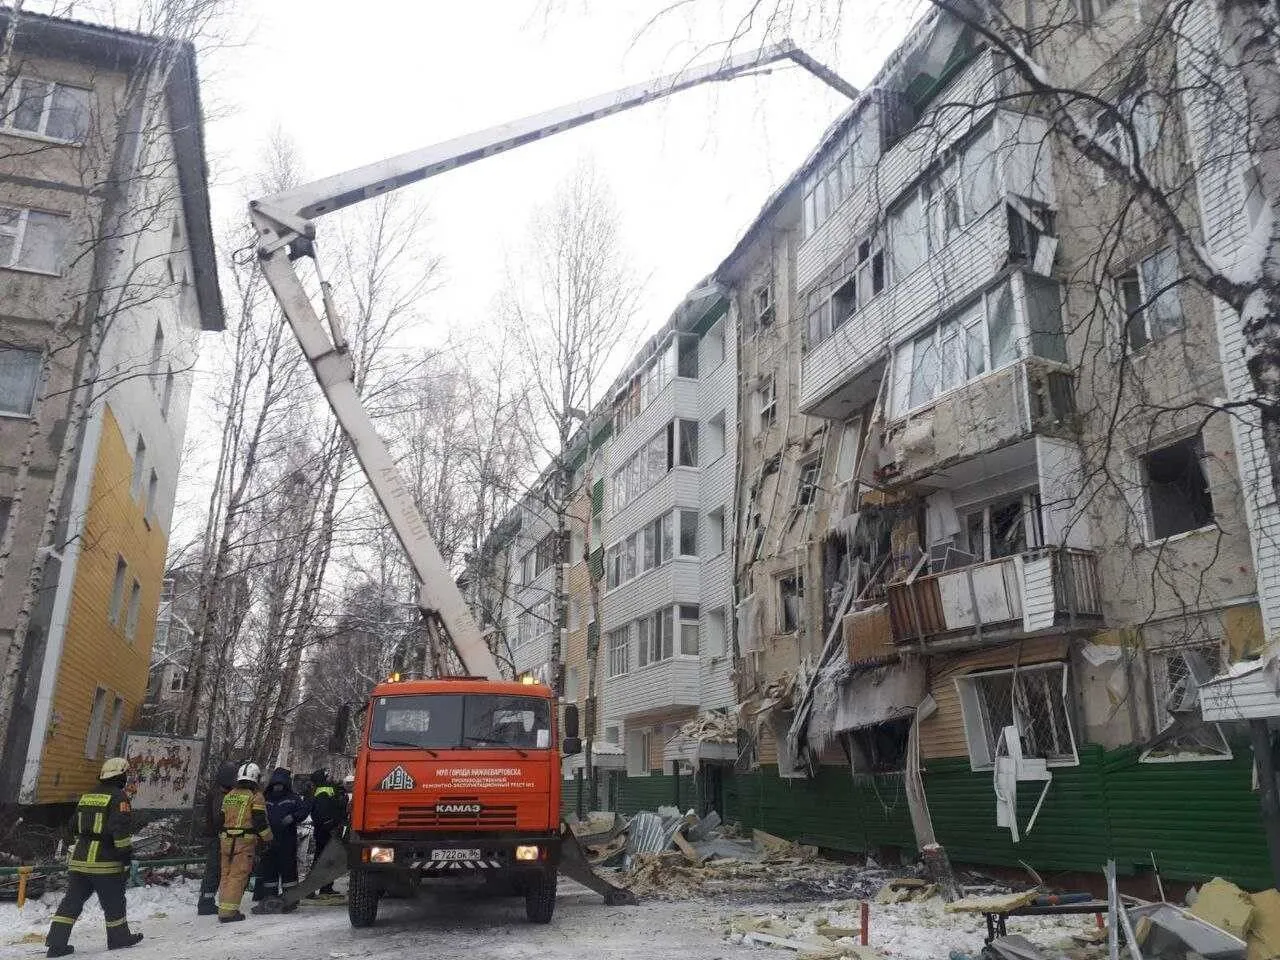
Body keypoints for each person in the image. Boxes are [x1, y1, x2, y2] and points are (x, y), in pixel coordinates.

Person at [44, 757, 145, 957]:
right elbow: (120, 832)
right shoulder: (119, 798)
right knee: (114, 902)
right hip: (105, 862)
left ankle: (56, 944)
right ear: (120, 776)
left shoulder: (88, 796)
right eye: (125, 774)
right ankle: (118, 938)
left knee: (71, 902)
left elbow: (73, 826)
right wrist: (126, 859)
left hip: (80, 860)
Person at [215, 762, 272, 923]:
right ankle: (228, 913)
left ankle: (224, 908)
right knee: (237, 876)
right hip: (244, 841)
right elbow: (259, 821)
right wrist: (268, 839)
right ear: (256, 778)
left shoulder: (229, 795)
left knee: (226, 874)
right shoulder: (255, 796)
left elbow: (220, 819)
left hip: (226, 840)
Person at [251, 767, 309, 912]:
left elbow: (303, 810)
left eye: (280, 784)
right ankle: (269, 899)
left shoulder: (292, 798)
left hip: (286, 840)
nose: (278, 787)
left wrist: (293, 817)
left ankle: (290, 900)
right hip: (268, 840)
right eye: (276, 784)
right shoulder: (265, 797)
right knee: (269, 871)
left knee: (288, 871)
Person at [196, 760, 239, 917]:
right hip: (216, 837)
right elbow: (218, 818)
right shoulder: (219, 794)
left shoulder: (218, 791)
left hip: (216, 836)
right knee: (214, 870)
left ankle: (207, 900)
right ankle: (206, 903)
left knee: (216, 869)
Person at [305, 769, 347, 897]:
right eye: (328, 776)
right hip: (327, 831)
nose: (331, 778)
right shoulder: (325, 791)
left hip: (325, 830)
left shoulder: (324, 790)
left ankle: (324, 888)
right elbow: (326, 811)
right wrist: (331, 827)